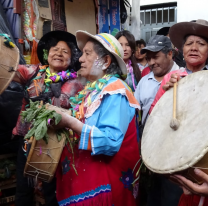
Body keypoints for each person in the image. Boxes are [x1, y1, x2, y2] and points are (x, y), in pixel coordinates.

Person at [53, 31, 141, 206]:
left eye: (87, 53)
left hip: (105, 186)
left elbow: (110, 141)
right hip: (85, 182)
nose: (80, 59)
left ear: (106, 61)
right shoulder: (92, 90)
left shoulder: (116, 90)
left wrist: (71, 123)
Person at [13, 30, 83, 206]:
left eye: (65, 51)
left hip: (56, 145)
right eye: (55, 49)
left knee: (53, 192)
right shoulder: (33, 72)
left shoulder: (77, 83)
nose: (59, 53)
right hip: (26, 141)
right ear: (47, 53)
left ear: (72, 58)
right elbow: (10, 71)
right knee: (23, 190)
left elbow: (72, 109)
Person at [150, 19, 208, 206]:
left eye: (201, 44)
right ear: (181, 50)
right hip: (174, 162)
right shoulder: (171, 79)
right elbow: (154, 119)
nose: (194, 48)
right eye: (189, 43)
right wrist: (166, 95)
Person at [134, 35, 182, 206]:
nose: (151, 62)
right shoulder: (144, 82)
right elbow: (136, 112)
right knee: (152, 196)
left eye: (156, 56)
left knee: (171, 197)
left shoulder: (184, 78)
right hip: (150, 150)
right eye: (148, 58)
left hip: (174, 154)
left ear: (170, 54)